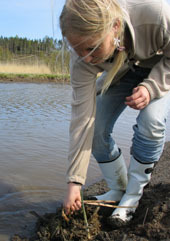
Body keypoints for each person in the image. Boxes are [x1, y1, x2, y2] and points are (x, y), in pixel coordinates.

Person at [59, 0, 170, 226]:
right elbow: (82, 121)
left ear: (115, 27)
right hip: (123, 70)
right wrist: (74, 183)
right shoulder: (82, 59)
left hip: (161, 67)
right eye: (77, 49)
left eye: (92, 48)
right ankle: (118, 189)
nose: (87, 58)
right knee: (96, 127)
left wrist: (151, 87)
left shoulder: (156, 14)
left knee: (151, 121)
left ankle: (132, 196)